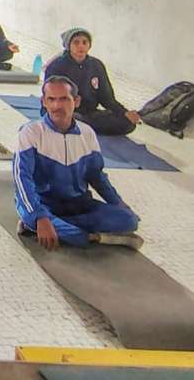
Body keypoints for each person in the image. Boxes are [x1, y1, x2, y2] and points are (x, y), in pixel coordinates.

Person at [14, 76, 142, 250]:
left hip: (78, 203)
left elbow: (97, 176)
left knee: (129, 220)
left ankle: (58, 228)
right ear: (44, 102)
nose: (57, 106)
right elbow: (22, 179)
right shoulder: (31, 132)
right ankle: (85, 235)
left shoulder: (87, 133)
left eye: (64, 99)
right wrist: (39, 216)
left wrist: (117, 202)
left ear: (76, 101)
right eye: (51, 99)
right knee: (32, 216)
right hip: (43, 203)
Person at [44, 28, 140, 137]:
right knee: (65, 119)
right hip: (62, 111)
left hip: (89, 114)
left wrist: (124, 113)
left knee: (128, 123)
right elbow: (51, 98)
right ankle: (76, 124)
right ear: (68, 46)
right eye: (76, 42)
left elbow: (107, 98)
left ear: (89, 45)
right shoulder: (57, 66)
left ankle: (81, 125)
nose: (81, 46)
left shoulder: (96, 65)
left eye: (84, 42)